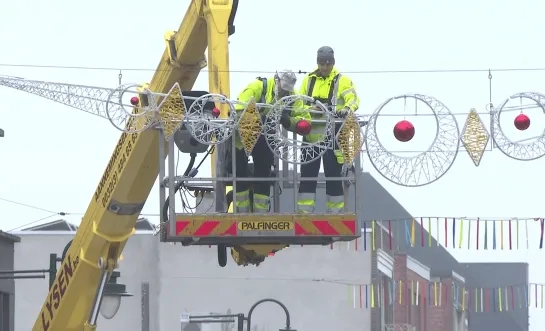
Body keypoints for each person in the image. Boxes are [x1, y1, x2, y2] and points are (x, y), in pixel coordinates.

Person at [234, 70, 310, 213]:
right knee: (238, 171)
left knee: (264, 172)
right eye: (282, 88)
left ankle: (260, 213)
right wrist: (257, 119)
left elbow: (303, 118)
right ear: (276, 80)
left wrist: (289, 121)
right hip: (243, 135)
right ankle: (241, 212)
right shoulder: (257, 87)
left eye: (287, 90)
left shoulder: (293, 96)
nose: (284, 93)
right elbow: (239, 110)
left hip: (266, 138)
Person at [297, 46, 360, 214]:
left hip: (334, 137)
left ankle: (335, 214)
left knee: (333, 175)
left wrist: (346, 109)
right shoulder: (308, 80)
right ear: (317, 63)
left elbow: (353, 100)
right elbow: (297, 103)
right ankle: (304, 213)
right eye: (322, 64)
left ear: (333, 63)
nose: (325, 67)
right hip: (310, 138)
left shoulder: (342, 80)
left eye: (328, 64)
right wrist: (311, 108)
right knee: (307, 175)